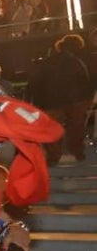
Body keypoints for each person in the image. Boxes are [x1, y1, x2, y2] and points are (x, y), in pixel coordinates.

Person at [26, 32, 93, 165]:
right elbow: (84, 82)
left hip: (49, 101)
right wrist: (87, 100)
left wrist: (33, 101)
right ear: (77, 47)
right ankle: (77, 151)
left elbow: (34, 83)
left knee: (52, 130)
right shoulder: (77, 62)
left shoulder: (46, 62)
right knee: (76, 128)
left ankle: (53, 156)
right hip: (74, 101)